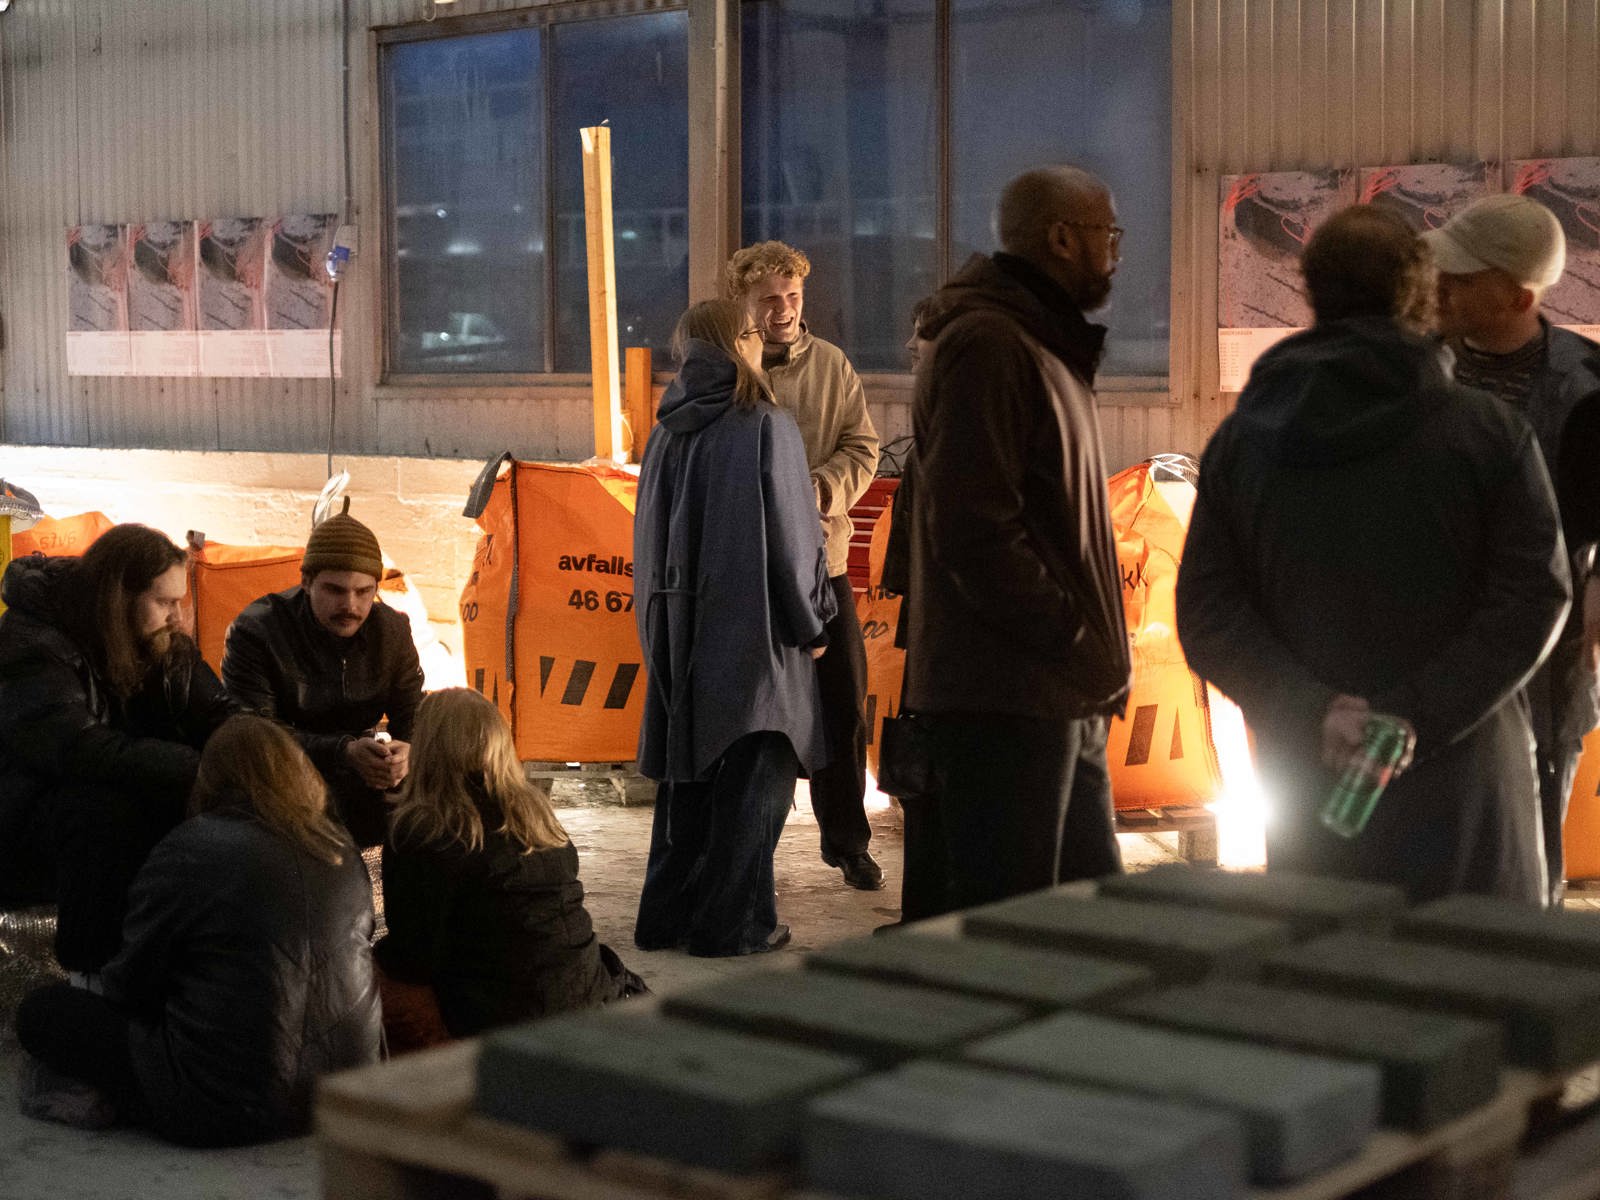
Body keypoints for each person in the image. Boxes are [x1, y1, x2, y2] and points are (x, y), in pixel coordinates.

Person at [1177, 204, 1570, 905]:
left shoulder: (1242, 444)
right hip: (1467, 792)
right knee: (1477, 970)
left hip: (1316, 794)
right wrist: (1412, 717)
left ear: (1310, 290)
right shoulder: (1488, 434)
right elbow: (1535, 596)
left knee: (1333, 969)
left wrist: (1314, 711)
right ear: (1421, 292)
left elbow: (1209, 613)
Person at [899, 165, 1133, 919]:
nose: (1115, 253)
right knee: (1018, 931)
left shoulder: (1040, 341)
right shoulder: (991, 344)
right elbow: (975, 531)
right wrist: (1072, 637)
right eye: (1107, 234)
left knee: (1086, 928)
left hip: (1056, 694)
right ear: (1062, 238)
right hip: (1008, 699)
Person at [14, 716, 381, 1144]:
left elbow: (129, 986)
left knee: (42, 1011)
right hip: (344, 1090)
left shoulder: (191, 846)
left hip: (221, 1108)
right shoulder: (341, 849)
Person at [633, 298, 836, 956]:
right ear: (741, 343)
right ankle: (734, 924)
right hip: (756, 631)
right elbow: (793, 538)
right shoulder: (766, 425)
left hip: (676, 628)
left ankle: (666, 918)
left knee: (688, 776)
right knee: (758, 773)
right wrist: (814, 621)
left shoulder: (665, 430)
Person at [1423, 194, 1600, 905]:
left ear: (1520, 296)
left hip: (1544, 658)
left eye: (1463, 279)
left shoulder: (1586, 389)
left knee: (1531, 854)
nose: (1442, 288)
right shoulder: (1416, 369)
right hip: (1429, 648)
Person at [0, 523, 234, 974]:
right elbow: (76, 747)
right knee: (107, 809)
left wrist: (303, 756)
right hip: (29, 820)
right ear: (118, 598)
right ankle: (92, 975)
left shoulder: (159, 639)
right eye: (164, 602)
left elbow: (221, 714)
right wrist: (199, 768)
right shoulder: (32, 639)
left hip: (107, 797)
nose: (177, 617)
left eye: (180, 601)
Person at [726, 241, 884, 892]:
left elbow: (863, 447)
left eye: (792, 297)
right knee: (755, 715)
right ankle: (747, 852)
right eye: (769, 300)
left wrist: (821, 489)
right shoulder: (729, 374)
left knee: (843, 705)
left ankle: (848, 843)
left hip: (825, 566)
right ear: (745, 305)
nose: (783, 310)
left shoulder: (833, 366)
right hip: (753, 575)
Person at [375, 688, 641, 1048]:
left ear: (426, 747)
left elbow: (411, 957)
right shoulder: (537, 814)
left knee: (373, 981)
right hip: (586, 994)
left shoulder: (422, 829)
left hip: (504, 1018)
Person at [222, 503, 424, 848]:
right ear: (306, 581)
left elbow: (413, 711)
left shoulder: (391, 630)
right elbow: (255, 736)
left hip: (362, 769)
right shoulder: (258, 631)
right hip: (281, 772)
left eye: (363, 592)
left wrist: (408, 754)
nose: (351, 606)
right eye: (335, 590)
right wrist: (342, 751)